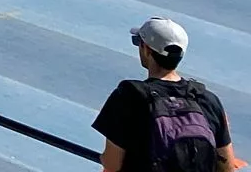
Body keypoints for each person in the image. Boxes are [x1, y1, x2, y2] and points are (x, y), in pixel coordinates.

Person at [91, 17, 234, 172]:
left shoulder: (128, 96)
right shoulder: (208, 100)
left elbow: (112, 165)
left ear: (146, 49)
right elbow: (227, 167)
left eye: (138, 42)